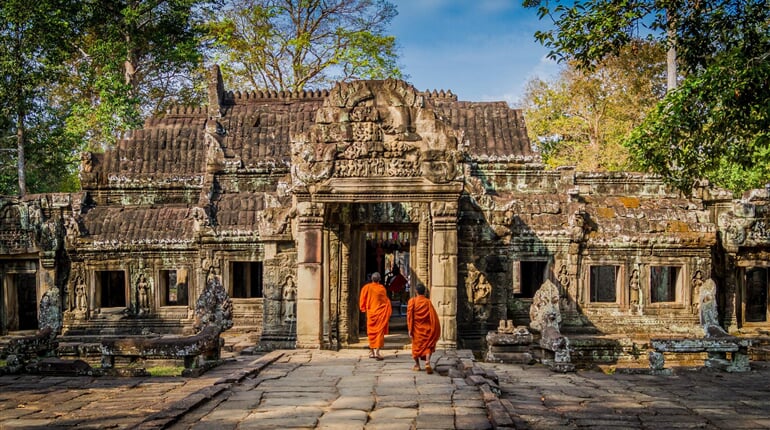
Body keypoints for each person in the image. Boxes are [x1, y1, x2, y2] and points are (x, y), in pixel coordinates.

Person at [407, 284, 441, 374]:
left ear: (415, 292)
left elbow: (410, 317)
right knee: (427, 346)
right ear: (424, 292)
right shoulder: (427, 302)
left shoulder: (412, 301)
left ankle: (417, 365)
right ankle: (427, 362)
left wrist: (410, 329)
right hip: (427, 328)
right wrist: (434, 327)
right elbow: (433, 317)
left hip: (416, 328)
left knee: (416, 347)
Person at [359, 272, 392, 360]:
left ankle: (372, 352)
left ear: (371, 279)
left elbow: (362, 299)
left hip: (371, 313)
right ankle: (377, 352)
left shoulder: (366, 288)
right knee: (379, 333)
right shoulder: (382, 289)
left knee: (371, 333)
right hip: (380, 313)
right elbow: (385, 301)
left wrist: (363, 308)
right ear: (380, 280)